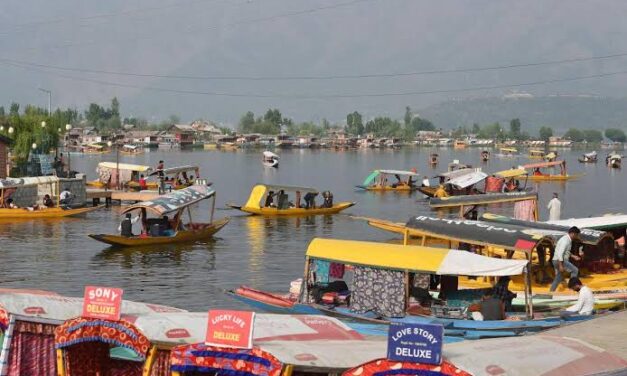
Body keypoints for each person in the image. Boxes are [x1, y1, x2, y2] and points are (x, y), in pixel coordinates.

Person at [550, 226, 581, 292]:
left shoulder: (567, 239)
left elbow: (566, 251)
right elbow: (560, 253)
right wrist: (561, 265)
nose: (577, 237)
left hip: (557, 260)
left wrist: (573, 256)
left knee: (559, 277)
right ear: (573, 233)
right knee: (575, 270)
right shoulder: (565, 241)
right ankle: (572, 288)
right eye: (577, 235)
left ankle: (551, 292)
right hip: (560, 260)